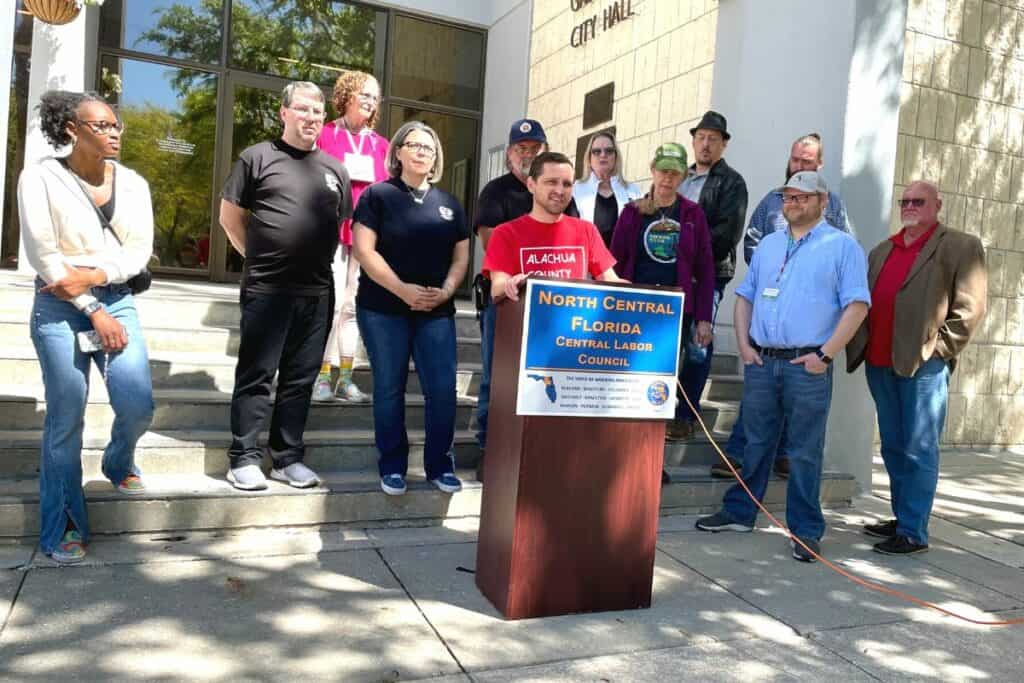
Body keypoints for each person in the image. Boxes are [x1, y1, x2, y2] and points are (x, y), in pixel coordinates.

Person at [695, 171, 870, 563]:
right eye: (788, 197)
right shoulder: (771, 244)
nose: (792, 204)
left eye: (802, 198)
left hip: (807, 364)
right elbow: (745, 297)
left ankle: (806, 531)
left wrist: (824, 355)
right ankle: (740, 513)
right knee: (755, 442)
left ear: (823, 202)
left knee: (805, 451)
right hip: (762, 361)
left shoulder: (842, 247)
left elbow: (857, 306)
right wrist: (743, 344)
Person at [19, 90, 155, 564]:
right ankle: (64, 526)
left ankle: (118, 460)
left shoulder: (134, 183)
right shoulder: (40, 178)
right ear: (72, 129)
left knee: (137, 401)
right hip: (58, 304)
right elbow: (43, 254)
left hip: (116, 297)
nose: (115, 132)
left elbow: (137, 252)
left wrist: (97, 279)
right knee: (66, 418)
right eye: (103, 125)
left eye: (117, 125)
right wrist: (88, 305)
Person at [220, 81, 352, 491]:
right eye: (303, 109)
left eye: (317, 111)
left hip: (317, 293)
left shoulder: (335, 170)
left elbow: (341, 225)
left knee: (300, 379)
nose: (311, 117)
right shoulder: (256, 158)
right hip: (268, 290)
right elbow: (230, 218)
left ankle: (287, 458)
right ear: (283, 113)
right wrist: (257, 259)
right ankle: (243, 457)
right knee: (257, 374)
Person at [848, 180, 987, 555]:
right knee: (893, 446)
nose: (910, 206)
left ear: (936, 205)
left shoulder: (959, 245)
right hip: (879, 363)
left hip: (923, 366)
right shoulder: (881, 251)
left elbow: (970, 309)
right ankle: (903, 516)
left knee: (919, 447)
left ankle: (913, 531)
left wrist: (938, 350)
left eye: (918, 201)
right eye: (905, 200)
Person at [713, 133, 855, 479]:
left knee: (800, 411)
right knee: (760, 401)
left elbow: (842, 259)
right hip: (769, 326)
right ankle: (739, 456)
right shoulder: (771, 203)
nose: (799, 166)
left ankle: (786, 458)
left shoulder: (831, 206)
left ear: (819, 165)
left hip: (810, 338)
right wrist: (777, 274)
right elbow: (753, 242)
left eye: (807, 161)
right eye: (795, 160)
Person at [353, 121, 470, 497]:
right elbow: (364, 250)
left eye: (429, 147)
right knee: (389, 388)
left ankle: (440, 465)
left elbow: (461, 255)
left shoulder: (449, 204)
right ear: (398, 152)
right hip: (383, 307)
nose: (422, 152)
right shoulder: (377, 196)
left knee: (442, 389)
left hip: (436, 310)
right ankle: (392, 466)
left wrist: (449, 290)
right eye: (414, 145)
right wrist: (403, 291)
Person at [472, 119, 579, 470]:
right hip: (507, 305)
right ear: (510, 154)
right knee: (495, 377)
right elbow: (492, 246)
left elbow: (573, 244)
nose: (528, 154)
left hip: (553, 311)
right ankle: (489, 449)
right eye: (522, 149)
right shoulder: (495, 192)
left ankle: (536, 453)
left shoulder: (561, 195)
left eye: (535, 149)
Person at [609, 143, 715, 482]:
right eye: (663, 170)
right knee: (632, 385)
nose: (667, 178)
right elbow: (614, 260)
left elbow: (706, 268)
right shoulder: (633, 212)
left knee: (661, 386)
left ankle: (653, 461)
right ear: (652, 170)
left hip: (675, 312)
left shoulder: (693, 215)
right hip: (637, 311)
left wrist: (703, 318)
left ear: (683, 175)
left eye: (674, 172)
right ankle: (624, 458)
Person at [312, 70, 389, 403]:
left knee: (352, 307)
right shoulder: (326, 135)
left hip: (366, 234)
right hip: (330, 231)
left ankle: (345, 378)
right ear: (347, 95)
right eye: (364, 94)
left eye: (375, 96)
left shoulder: (382, 145)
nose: (371, 101)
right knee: (331, 304)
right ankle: (320, 377)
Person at [673, 111, 748, 440]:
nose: (705, 144)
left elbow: (727, 234)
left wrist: (688, 258)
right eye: (701, 137)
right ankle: (664, 406)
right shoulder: (679, 177)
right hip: (670, 273)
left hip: (707, 274)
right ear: (693, 140)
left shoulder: (732, 183)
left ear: (724, 144)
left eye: (713, 139)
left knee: (698, 342)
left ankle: (687, 414)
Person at [485, 150, 625, 304]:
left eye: (566, 184)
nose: (559, 191)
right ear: (531, 185)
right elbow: (497, 288)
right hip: (528, 325)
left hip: (576, 324)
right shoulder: (505, 233)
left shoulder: (586, 230)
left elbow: (609, 279)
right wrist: (511, 284)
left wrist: (643, 296)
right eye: (551, 182)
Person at [574, 131, 643, 247]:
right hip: (587, 261)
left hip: (621, 262)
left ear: (616, 157)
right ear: (589, 158)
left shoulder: (632, 191)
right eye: (596, 151)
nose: (603, 155)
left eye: (609, 151)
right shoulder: (576, 189)